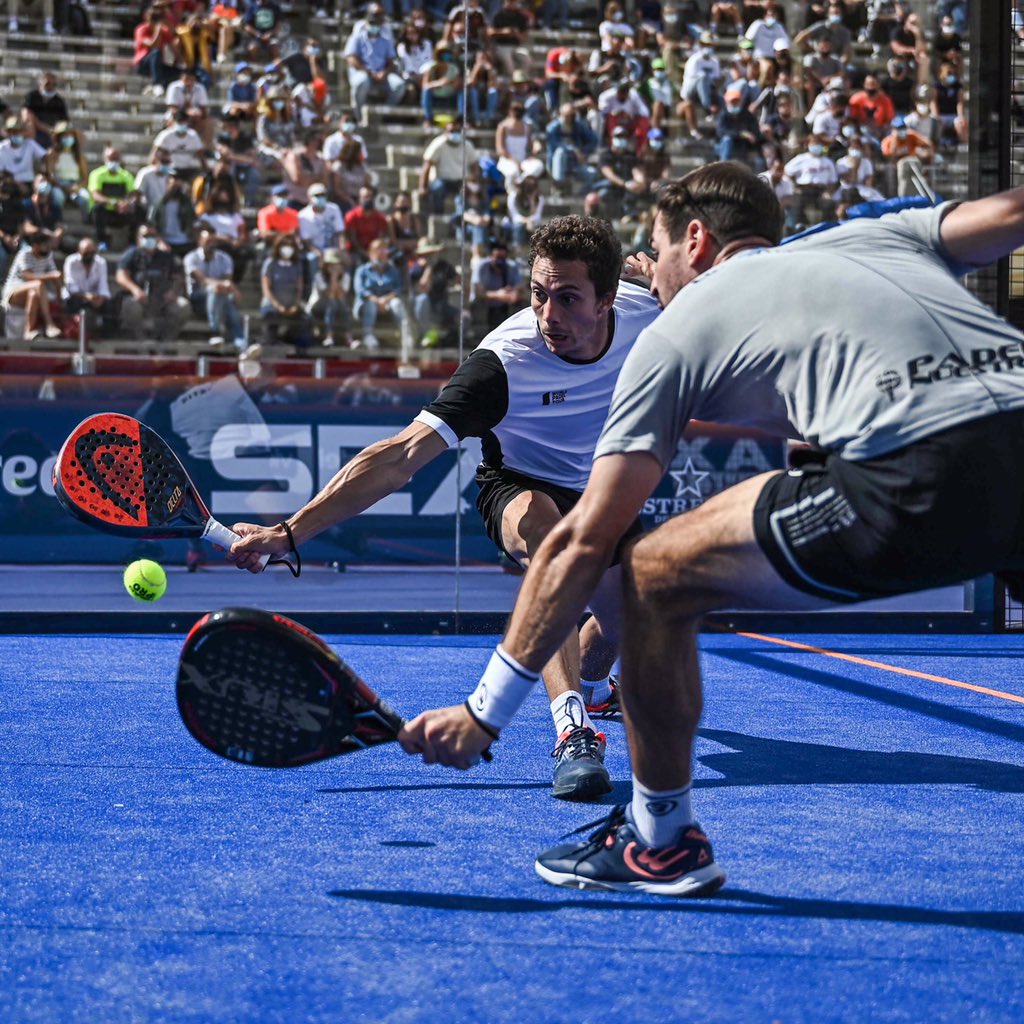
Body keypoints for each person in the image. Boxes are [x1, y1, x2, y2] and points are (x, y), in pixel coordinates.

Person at [396, 162, 1024, 894]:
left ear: (694, 241)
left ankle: (660, 841)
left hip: (921, 464)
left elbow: (579, 540)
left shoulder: (678, 324)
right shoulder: (875, 235)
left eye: (654, 255)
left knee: (655, 573)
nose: (648, 277)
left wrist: (484, 712)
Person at [228, 215, 663, 801]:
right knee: (548, 538)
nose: (548, 315)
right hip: (519, 486)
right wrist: (289, 532)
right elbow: (398, 458)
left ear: (608, 299)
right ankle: (573, 732)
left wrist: (661, 277)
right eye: (538, 294)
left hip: (603, 491)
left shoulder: (648, 311)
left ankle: (592, 684)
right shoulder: (503, 362)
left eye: (567, 298)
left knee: (627, 616)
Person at [116, 224, 190, 342]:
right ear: (138, 238)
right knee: (131, 306)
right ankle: (140, 341)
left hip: (163, 300)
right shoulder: (132, 254)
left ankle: (167, 342)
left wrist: (173, 292)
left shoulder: (166, 257)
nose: (149, 238)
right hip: (140, 299)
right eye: (145, 236)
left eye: (152, 235)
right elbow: (121, 276)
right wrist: (135, 290)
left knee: (183, 307)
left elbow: (178, 278)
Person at [184, 227, 246, 348]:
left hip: (220, 298)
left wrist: (228, 287)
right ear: (200, 241)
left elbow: (227, 281)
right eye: (207, 241)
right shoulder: (191, 258)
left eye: (213, 241)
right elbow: (202, 280)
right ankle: (217, 332)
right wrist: (221, 286)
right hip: (197, 300)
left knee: (224, 299)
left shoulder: (225, 258)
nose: (211, 244)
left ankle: (240, 344)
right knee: (215, 291)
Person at [352, 236, 412, 353]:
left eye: (384, 251)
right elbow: (360, 290)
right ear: (370, 253)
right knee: (370, 305)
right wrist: (376, 300)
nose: (382, 254)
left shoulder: (393, 270)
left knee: (397, 303)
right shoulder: (362, 270)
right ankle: (368, 336)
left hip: (387, 302)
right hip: (367, 303)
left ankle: (406, 335)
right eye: (378, 251)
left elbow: (399, 288)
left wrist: (385, 299)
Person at [1, 229, 63, 340]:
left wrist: (60, 297)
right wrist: (51, 276)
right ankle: (49, 323)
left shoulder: (48, 256)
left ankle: (28, 331)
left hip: (33, 291)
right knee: (38, 284)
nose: (47, 247)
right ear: (35, 245)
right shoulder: (24, 254)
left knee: (33, 294)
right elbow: (27, 276)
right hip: (14, 291)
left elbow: (55, 277)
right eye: (45, 244)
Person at [88, 147, 144, 250]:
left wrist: (128, 203)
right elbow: (96, 195)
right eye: (110, 158)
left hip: (121, 212)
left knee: (139, 209)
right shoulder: (96, 174)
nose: (113, 161)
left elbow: (133, 194)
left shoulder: (126, 175)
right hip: (105, 213)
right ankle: (102, 241)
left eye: (116, 159)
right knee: (97, 209)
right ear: (105, 159)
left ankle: (133, 242)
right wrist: (114, 202)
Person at [62, 236, 115, 338]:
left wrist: (101, 298)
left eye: (92, 253)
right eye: (86, 253)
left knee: (109, 305)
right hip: (76, 298)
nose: (89, 256)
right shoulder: (71, 262)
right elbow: (71, 286)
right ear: (79, 252)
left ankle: (105, 336)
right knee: (71, 303)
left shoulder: (101, 262)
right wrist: (86, 296)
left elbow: (103, 286)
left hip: (94, 298)